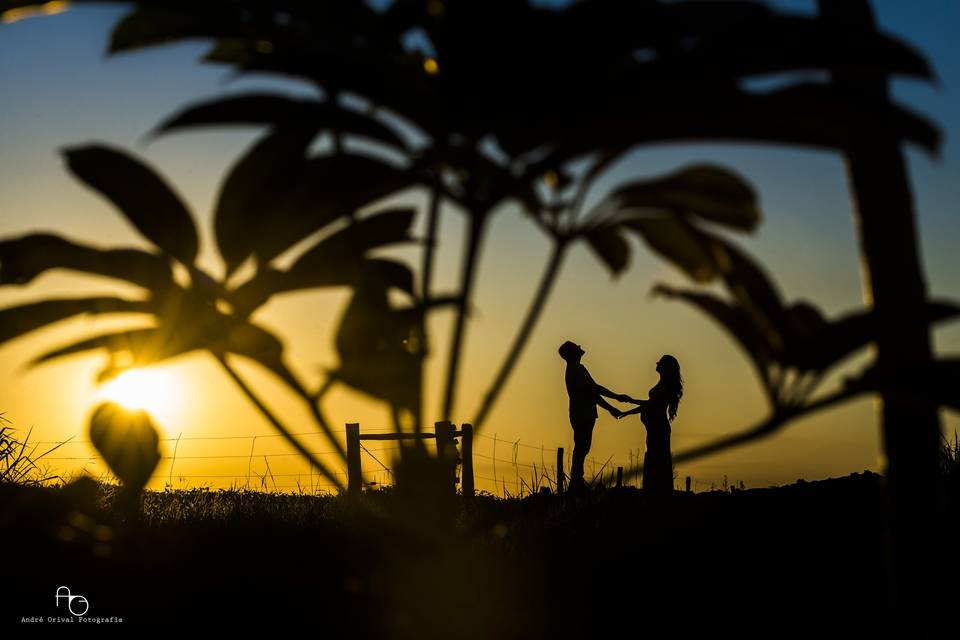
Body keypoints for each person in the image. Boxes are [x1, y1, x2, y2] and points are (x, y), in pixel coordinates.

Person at [558, 341, 629, 490]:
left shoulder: (577, 369)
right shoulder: (576, 370)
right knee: (582, 447)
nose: (579, 346)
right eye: (575, 347)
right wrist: (613, 402)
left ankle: (577, 479)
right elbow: (593, 391)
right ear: (572, 354)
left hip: (584, 412)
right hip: (582, 413)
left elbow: (593, 392)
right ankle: (576, 480)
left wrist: (613, 402)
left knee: (583, 447)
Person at [618, 355, 683, 496]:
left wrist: (631, 403)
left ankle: (657, 492)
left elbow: (651, 405)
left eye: (660, 362)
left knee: (657, 458)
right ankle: (655, 490)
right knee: (655, 456)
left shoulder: (665, 386)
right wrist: (628, 411)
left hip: (659, 428)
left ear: (665, 367)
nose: (657, 363)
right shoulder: (662, 383)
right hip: (654, 428)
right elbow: (649, 406)